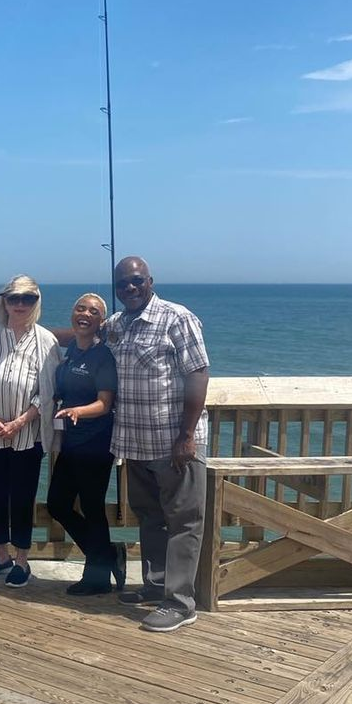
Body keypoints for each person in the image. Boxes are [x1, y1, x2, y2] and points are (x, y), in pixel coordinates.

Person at [105, 256, 210, 633]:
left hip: (173, 444)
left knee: (183, 521)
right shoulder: (116, 326)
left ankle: (180, 603)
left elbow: (198, 374)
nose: (129, 289)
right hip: (135, 442)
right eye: (122, 285)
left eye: (136, 281)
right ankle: (155, 585)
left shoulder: (177, 318)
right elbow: (83, 334)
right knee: (150, 518)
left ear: (150, 280)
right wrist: (35, 332)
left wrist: (186, 436)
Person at [0, 276, 59, 588]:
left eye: (28, 299)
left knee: (22, 497)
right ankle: (1, 555)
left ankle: (22, 558)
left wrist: (20, 421)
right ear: (4, 301)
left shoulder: (46, 341)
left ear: (37, 302)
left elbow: (47, 392)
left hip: (27, 435)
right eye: (14, 298)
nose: (20, 304)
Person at [46, 293, 124, 595]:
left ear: (100, 322)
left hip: (96, 443)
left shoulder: (103, 356)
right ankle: (106, 554)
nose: (85, 314)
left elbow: (105, 403)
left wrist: (79, 411)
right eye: (80, 308)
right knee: (57, 504)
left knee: (92, 508)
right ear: (72, 314)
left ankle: (98, 577)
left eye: (93, 312)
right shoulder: (72, 353)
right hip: (72, 442)